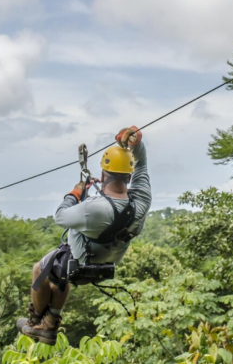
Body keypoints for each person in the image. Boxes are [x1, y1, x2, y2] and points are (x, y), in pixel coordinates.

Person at [16, 126, 152, 345]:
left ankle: (36, 324)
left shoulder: (93, 209)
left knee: (39, 269)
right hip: (109, 259)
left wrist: (75, 194)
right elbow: (142, 165)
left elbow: (60, 217)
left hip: (83, 258)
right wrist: (137, 144)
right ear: (129, 175)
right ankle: (50, 324)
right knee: (59, 275)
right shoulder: (141, 202)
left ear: (102, 174)